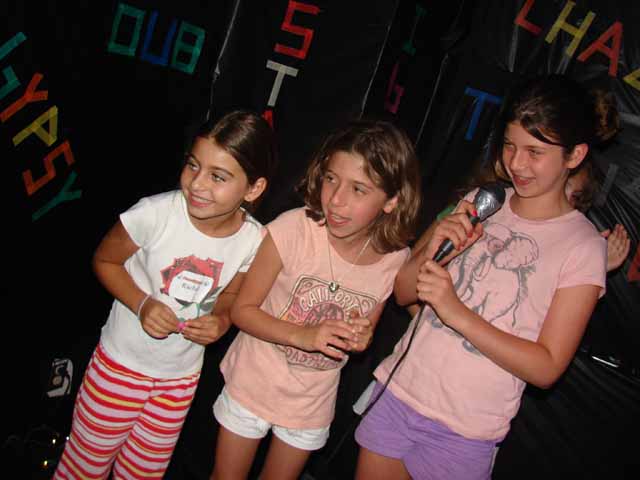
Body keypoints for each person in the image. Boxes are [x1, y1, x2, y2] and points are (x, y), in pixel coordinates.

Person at [354, 74, 619, 480]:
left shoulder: (582, 246)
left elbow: (547, 367)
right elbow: (404, 292)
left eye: (535, 152)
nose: (516, 163)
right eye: (509, 145)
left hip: (465, 428)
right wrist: (433, 247)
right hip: (400, 391)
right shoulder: (483, 202)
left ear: (575, 155)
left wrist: (455, 311)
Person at [53, 110, 276, 479]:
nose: (197, 184)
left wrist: (221, 320)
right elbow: (104, 260)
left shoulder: (253, 239)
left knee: (143, 473)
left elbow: (231, 294)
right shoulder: (154, 213)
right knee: (84, 467)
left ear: (253, 189)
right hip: (119, 367)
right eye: (193, 165)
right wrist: (142, 304)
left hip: (179, 380)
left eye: (217, 176)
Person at [209, 119, 422, 480]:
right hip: (253, 382)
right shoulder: (294, 228)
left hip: (312, 403)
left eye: (358, 189)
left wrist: (360, 337)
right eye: (331, 179)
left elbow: (365, 332)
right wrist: (304, 336)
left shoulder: (394, 260)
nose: (336, 199)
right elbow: (242, 311)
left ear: (392, 200)